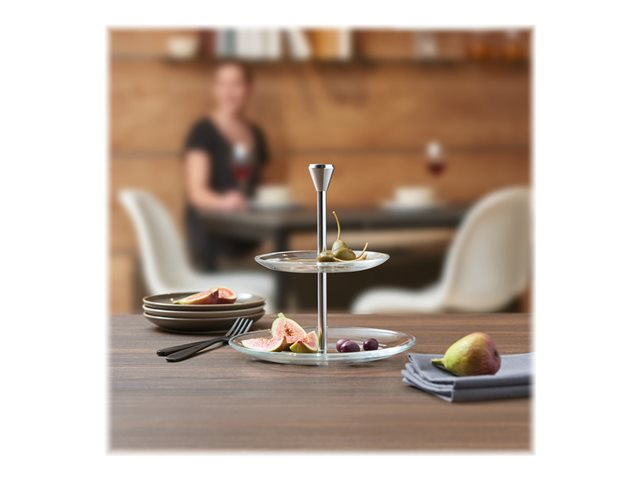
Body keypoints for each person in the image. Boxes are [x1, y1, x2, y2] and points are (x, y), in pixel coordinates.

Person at [182, 61, 269, 270]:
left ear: (249, 89)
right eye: (222, 84)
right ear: (214, 89)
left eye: (236, 84)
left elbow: (261, 191)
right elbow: (196, 194)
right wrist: (224, 202)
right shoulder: (203, 131)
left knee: (289, 268)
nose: (228, 92)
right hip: (213, 243)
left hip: (249, 240)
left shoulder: (256, 134)